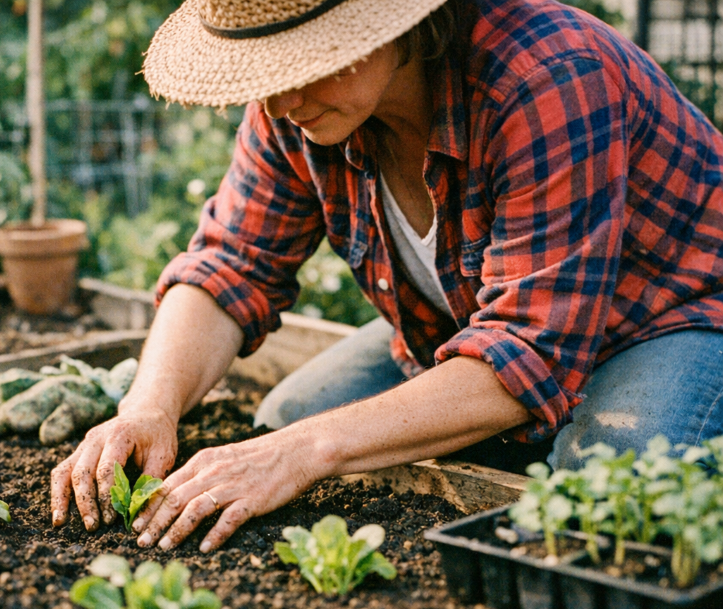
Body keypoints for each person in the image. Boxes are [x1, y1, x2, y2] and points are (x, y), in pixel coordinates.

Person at [50, 0, 723, 555]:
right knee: (285, 419)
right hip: (478, 325)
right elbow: (231, 265)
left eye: (304, 62)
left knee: (606, 491)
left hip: (675, 316)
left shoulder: (545, 74)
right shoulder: (296, 109)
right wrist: (147, 406)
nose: (281, 101)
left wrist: (305, 451)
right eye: (263, 72)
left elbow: (527, 351)